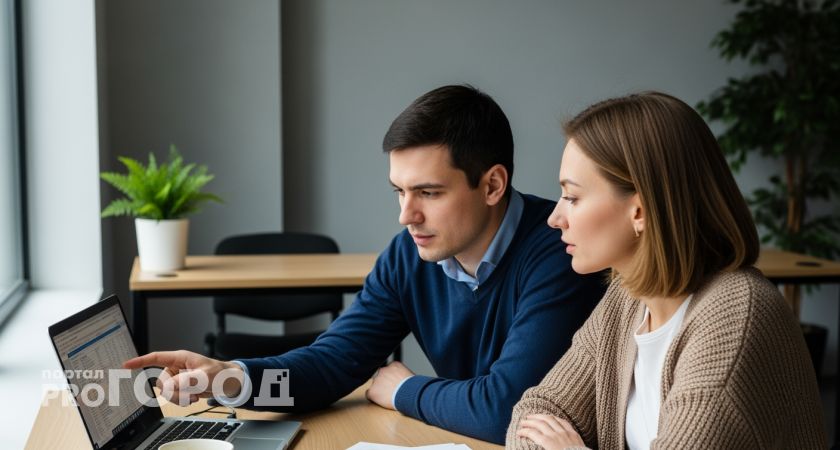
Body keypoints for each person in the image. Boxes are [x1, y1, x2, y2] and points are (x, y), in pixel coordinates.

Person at [125, 85, 606, 444]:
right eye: (400, 191)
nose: (406, 215)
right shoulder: (408, 255)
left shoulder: (562, 251)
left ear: (492, 185)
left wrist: (404, 390)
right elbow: (332, 364)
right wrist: (231, 377)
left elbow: (509, 410)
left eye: (428, 193)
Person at [506, 92, 827, 449]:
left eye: (572, 197)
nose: (555, 218)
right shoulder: (627, 298)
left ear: (640, 211)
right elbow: (535, 414)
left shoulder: (734, 319)